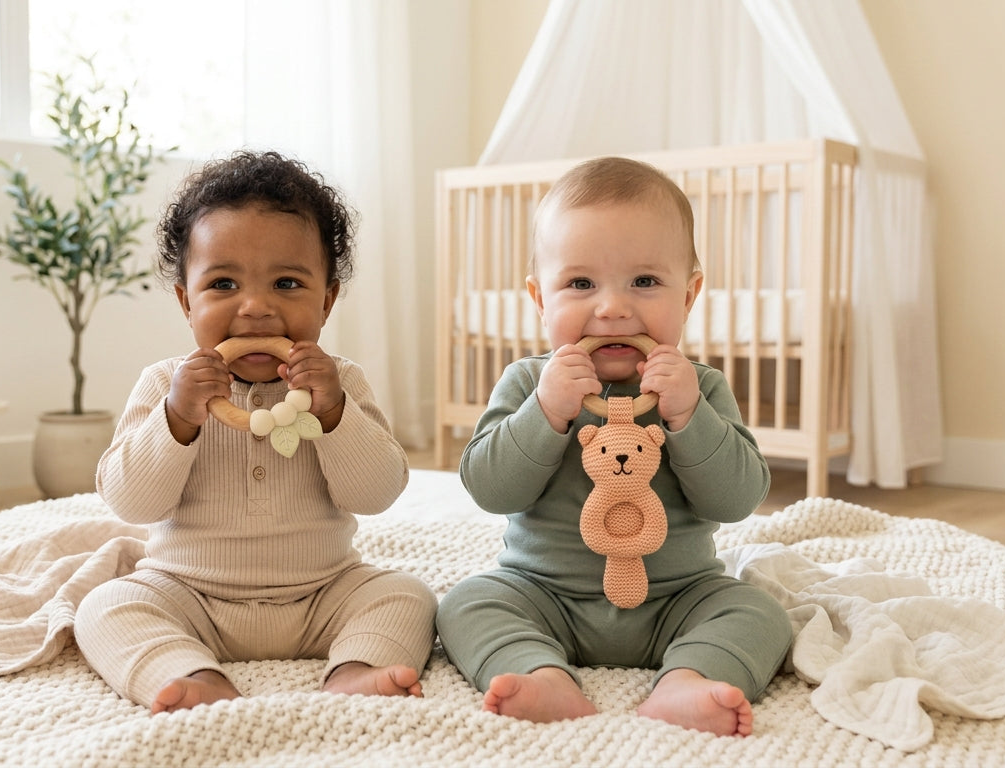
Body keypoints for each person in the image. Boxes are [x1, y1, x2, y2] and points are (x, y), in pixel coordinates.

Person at [435, 157, 790, 736]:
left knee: (758, 611)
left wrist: (689, 417)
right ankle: (540, 672)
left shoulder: (701, 388)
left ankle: (687, 680)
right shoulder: (528, 383)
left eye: (644, 282)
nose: (613, 308)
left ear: (689, 295)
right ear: (540, 299)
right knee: (465, 603)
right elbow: (490, 490)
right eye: (580, 284)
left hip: (677, 598)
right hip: (543, 594)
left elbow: (737, 500)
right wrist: (545, 413)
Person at [75, 150, 436, 714]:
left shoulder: (340, 381)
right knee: (105, 605)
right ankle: (189, 673)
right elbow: (131, 502)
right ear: (186, 301)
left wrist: (334, 412)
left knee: (407, 594)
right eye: (223, 283)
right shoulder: (165, 384)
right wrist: (177, 418)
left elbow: (377, 493)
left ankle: (356, 669)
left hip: (322, 592)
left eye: (287, 283)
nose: (256, 308)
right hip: (189, 593)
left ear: (327, 301)